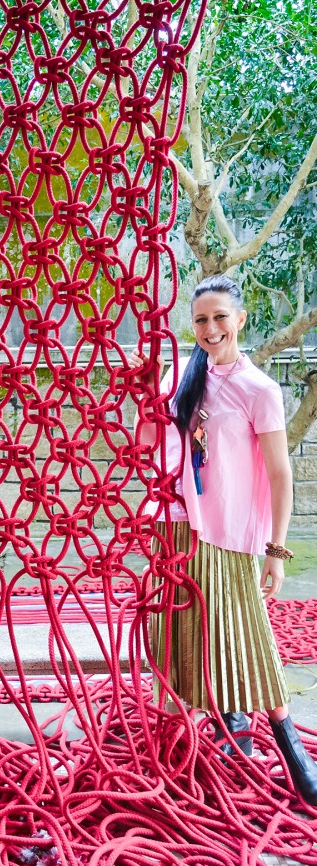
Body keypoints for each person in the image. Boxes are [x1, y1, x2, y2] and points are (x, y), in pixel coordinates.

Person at [130, 274, 317, 806]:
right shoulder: (181, 378)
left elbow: (281, 476)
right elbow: (148, 445)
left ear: (239, 319)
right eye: (201, 320)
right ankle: (200, 735)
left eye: (219, 317)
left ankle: (289, 747)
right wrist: (147, 395)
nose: (210, 328)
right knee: (179, 637)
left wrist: (277, 553)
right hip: (175, 525)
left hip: (230, 534)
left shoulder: (261, 389)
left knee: (245, 635)